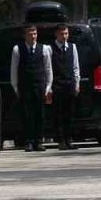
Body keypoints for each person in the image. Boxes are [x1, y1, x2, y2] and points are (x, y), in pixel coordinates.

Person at [10, 24, 52, 152]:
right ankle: (28, 141)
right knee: (27, 114)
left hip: (39, 85)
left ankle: (39, 141)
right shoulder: (18, 49)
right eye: (30, 34)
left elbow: (48, 69)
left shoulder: (44, 49)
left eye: (35, 33)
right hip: (25, 85)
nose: (33, 36)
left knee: (40, 114)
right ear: (25, 35)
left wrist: (48, 86)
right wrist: (16, 87)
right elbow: (14, 70)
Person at [49, 24, 80, 150]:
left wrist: (77, 83)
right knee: (58, 114)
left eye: (66, 33)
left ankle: (69, 139)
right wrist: (49, 87)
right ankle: (60, 139)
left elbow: (75, 67)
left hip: (69, 84)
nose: (64, 36)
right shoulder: (50, 48)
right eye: (62, 34)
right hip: (56, 85)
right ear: (56, 34)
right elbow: (48, 68)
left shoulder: (72, 47)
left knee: (70, 113)